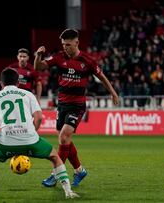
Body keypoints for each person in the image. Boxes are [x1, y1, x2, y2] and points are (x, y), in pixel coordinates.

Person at [0, 68, 78, 200]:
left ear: (1, 83)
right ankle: (68, 191)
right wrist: (30, 133)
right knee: (55, 157)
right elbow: (39, 117)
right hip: (31, 142)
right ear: (18, 82)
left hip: (5, 144)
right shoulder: (28, 94)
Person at [34, 29, 119, 187]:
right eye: (63, 44)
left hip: (77, 105)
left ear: (76, 42)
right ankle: (80, 170)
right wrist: (38, 55)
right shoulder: (59, 57)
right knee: (65, 139)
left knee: (64, 137)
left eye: (68, 44)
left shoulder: (87, 61)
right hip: (62, 104)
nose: (65, 47)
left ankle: (55, 174)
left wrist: (113, 93)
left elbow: (101, 77)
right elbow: (39, 67)